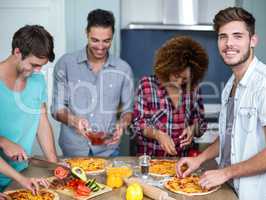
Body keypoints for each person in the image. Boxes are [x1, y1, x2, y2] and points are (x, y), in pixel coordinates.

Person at [176, 7, 266, 200]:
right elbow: (229, 136)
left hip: (260, 194)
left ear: (253, 40)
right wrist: (199, 160)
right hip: (233, 189)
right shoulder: (231, 85)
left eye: (237, 36)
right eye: (223, 37)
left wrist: (225, 172)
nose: (229, 43)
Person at [51, 9, 134, 157]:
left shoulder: (124, 69)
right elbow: (57, 109)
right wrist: (74, 120)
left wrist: (122, 124)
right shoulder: (65, 64)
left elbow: (128, 111)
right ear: (86, 33)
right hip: (73, 149)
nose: (101, 47)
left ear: (112, 36)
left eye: (106, 41)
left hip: (108, 150)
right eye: (95, 40)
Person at [0, 25, 58, 193]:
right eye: (34, 64)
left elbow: (41, 122)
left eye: (42, 65)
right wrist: (3, 141)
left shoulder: (37, 80)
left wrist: (54, 163)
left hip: (22, 176)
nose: (38, 71)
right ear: (17, 52)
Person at [132, 36, 208, 156]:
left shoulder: (194, 88)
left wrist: (193, 129)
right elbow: (138, 124)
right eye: (176, 76)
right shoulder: (147, 85)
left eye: (184, 79)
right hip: (151, 160)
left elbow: (201, 124)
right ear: (168, 67)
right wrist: (158, 135)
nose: (179, 83)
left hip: (183, 162)